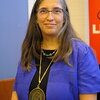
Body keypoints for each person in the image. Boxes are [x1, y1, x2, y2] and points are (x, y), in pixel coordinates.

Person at [11, 0, 100, 100]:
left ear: (64, 18)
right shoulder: (29, 51)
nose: (50, 17)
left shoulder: (82, 53)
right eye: (43, 11)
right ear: (36, 18)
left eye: (57, 11)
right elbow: (16, 94)